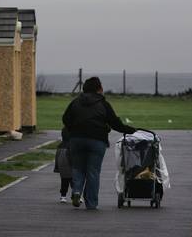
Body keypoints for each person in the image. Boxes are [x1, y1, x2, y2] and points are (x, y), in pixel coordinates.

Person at [62, 77, 136, 210]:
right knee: (93, 171)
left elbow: (65, 118)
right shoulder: (103, 104)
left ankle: (76, 191)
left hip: (76, 140)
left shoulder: (75, 102)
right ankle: (91, 204)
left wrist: (73, 130)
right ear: (99, 89)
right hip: (97, 141)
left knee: (77, 168)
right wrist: (131, 131)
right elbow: (115, 123)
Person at [53, 126, 77, 203]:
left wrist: (57, 167)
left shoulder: (60, 146)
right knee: (74, 181)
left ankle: (63, 196)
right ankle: (75, 195)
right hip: (71, 163)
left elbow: (57, 157)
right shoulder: (73, 145)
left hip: (62, 164)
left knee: (64, 180)